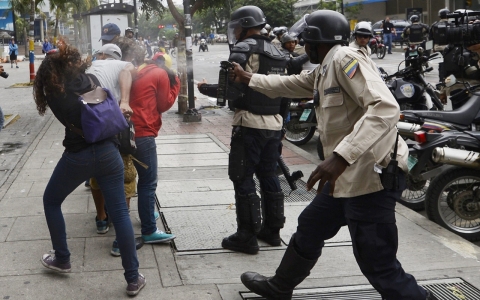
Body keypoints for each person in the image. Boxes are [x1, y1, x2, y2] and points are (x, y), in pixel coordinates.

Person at [231, 10, 438, 300]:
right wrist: (248, 78)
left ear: (317, 41)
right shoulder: (325, 67)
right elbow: (290, 84)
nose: (303, 45)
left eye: (306, 40)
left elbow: (385, 108)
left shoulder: (345, 59)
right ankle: (280, 286)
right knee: (310, 227)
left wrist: (340, 157)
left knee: (377, 262)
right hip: (344, 179)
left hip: (369, 178)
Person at [32, 42, 146, 296]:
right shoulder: (90, 79)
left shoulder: (54, 93)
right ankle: (132, 278)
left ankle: (62, 258)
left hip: (77, 156)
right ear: (74, 63)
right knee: (120, 214)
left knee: (51, 200)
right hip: (109, 153)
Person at [197, 6, 287, 255]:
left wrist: (205, 88)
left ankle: (246, 235)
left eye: (236, 27)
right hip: (274, 123)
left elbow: (230, 90)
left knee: (242, 177)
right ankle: (273, 231)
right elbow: (286, 91)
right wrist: (283, 126)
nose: (235, 32)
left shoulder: (243, 49)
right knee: (269, 176)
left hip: (249, 124)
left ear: (245, 26)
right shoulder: (278, 50)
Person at [128, 51, 179, 247]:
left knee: (130, 178)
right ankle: (149, 229)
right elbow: (164, 104)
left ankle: (146, 212)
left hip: (126, 131)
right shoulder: (160, 74)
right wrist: (176, 85)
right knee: (148, 182)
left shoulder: (140, 70)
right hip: (143, 133)